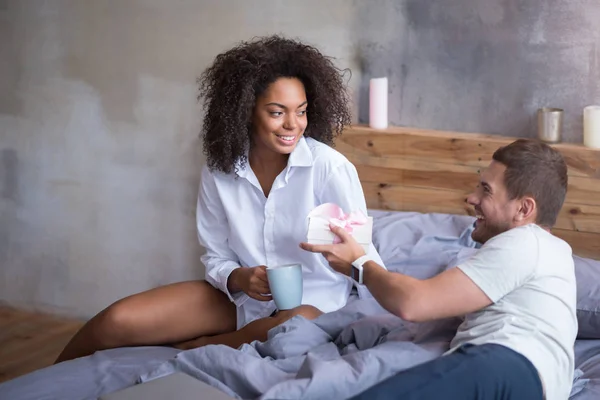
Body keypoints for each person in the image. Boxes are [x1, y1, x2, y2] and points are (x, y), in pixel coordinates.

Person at [55, 35, 385, 363]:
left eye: (301, 111)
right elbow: (216, 256)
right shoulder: (221, 170)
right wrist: (239, 277)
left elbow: (364, 258)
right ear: (245, 111)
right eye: (276, 112)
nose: (293, 124)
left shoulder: (329, 168)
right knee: (117, 320)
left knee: (296, 322)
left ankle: (195, 349)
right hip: (241, 301)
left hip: (313, 305)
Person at [301, 139, 576, 400]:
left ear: (524, 209)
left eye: (486, 190)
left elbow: (414, 303)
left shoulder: (525, 241)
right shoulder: (546, 254)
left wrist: (359, 264)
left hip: (503, 365)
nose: (472, 198)